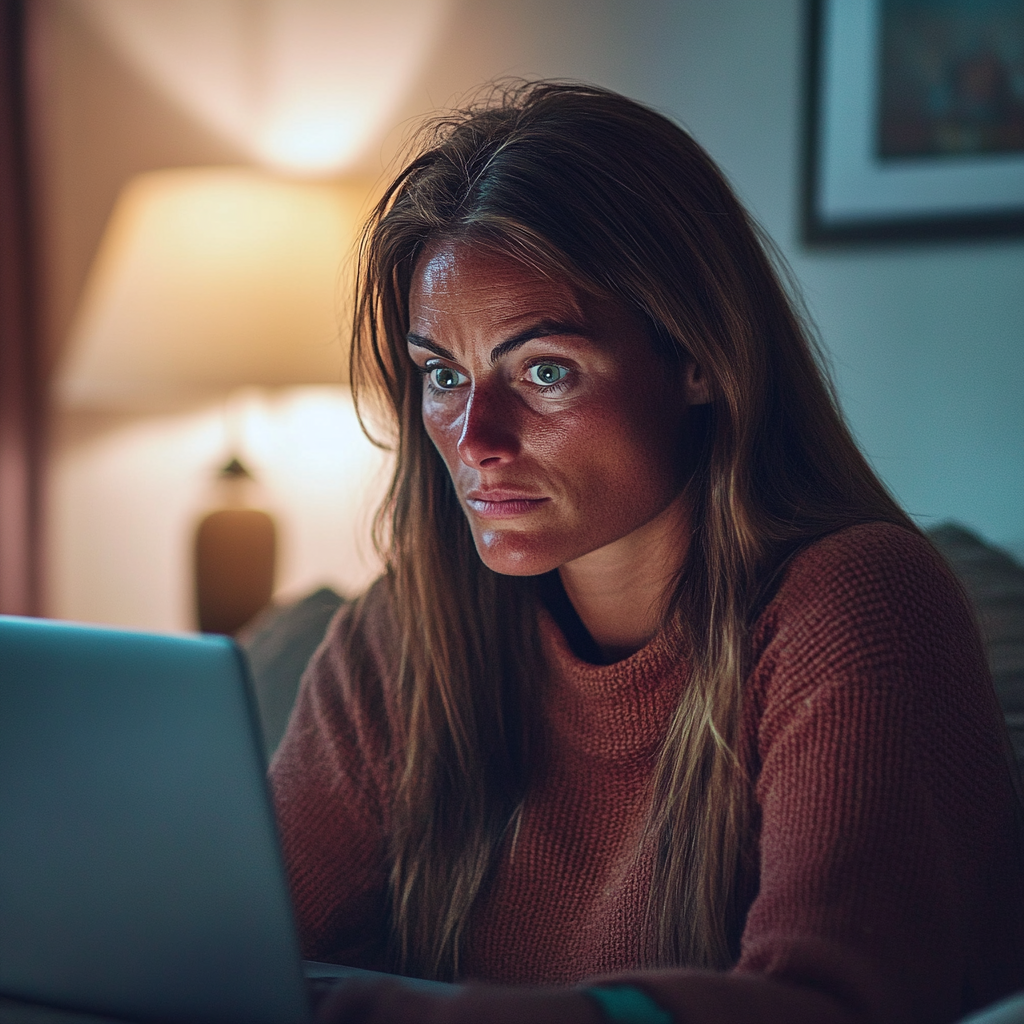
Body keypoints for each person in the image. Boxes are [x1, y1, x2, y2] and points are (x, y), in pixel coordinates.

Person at [269, 82, 1024, 1024]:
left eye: (545, 370)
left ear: (699, 357)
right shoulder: (402, 634)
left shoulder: (856, 603)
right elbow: (231, 949)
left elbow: (838, 1002)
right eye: (442, 375)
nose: (474, 437)